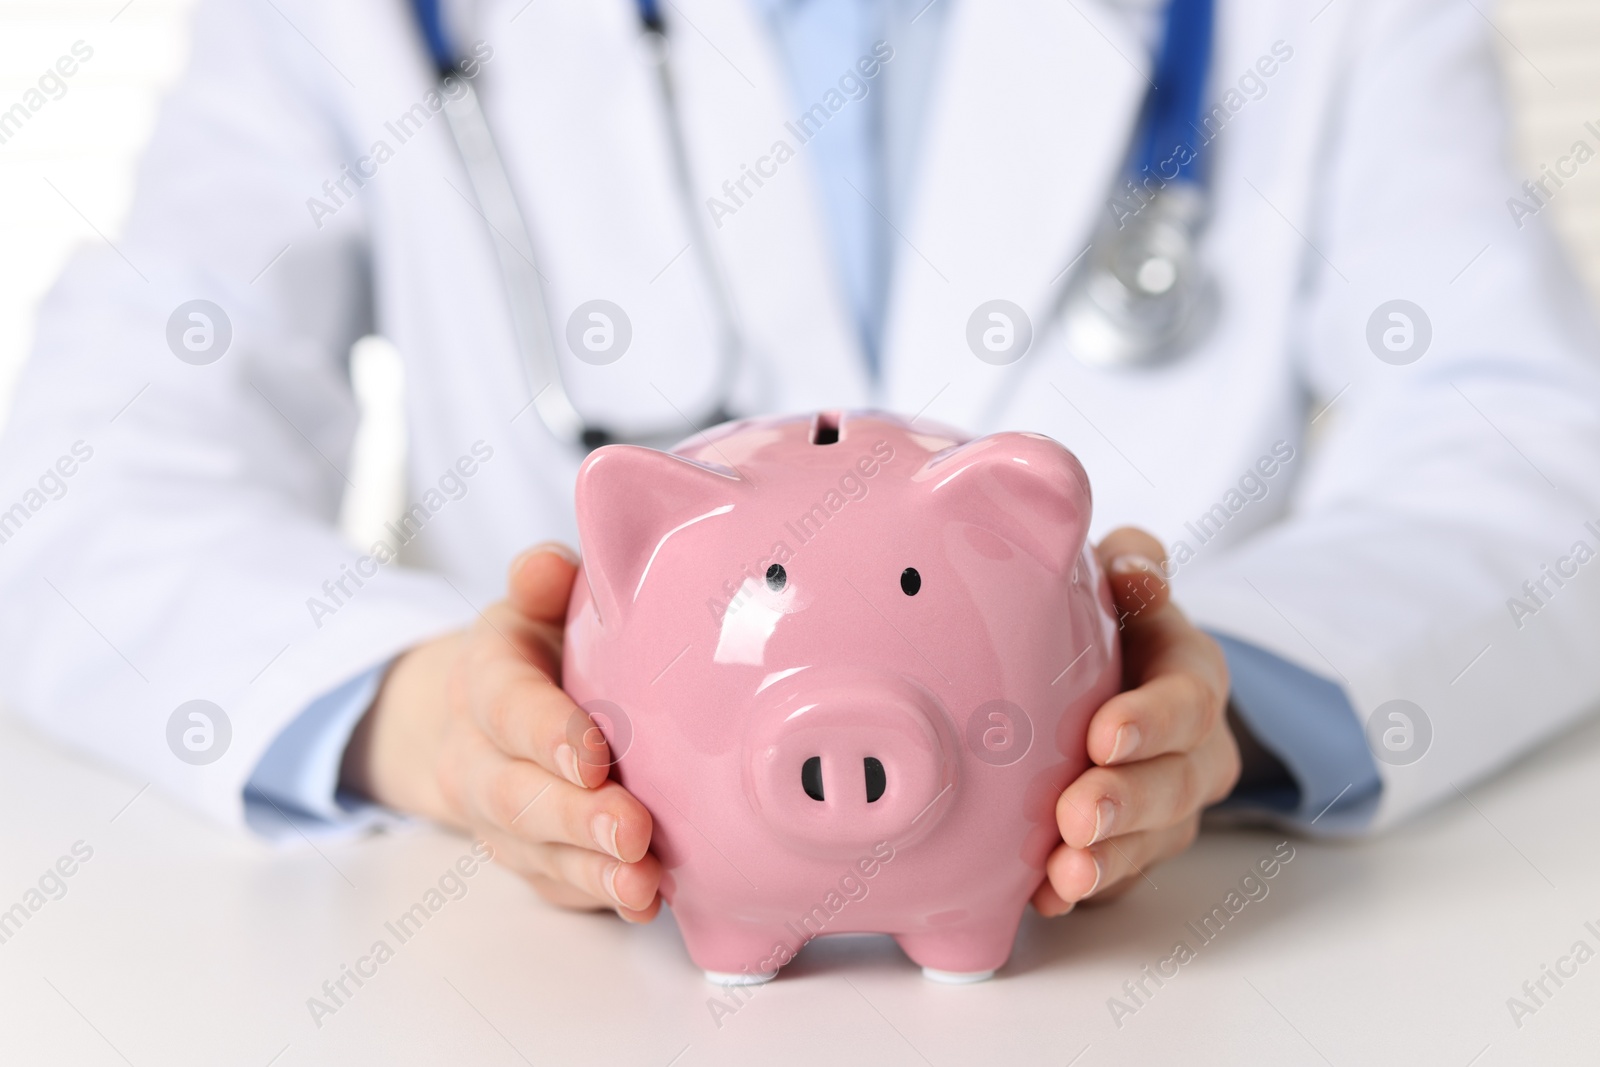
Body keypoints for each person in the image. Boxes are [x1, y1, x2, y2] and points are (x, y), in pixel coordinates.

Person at [1, 0, 1597, 931]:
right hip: (533, 982)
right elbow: (77, 476)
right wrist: (416, 712)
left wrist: (1220, 702)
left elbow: (1539, 456)